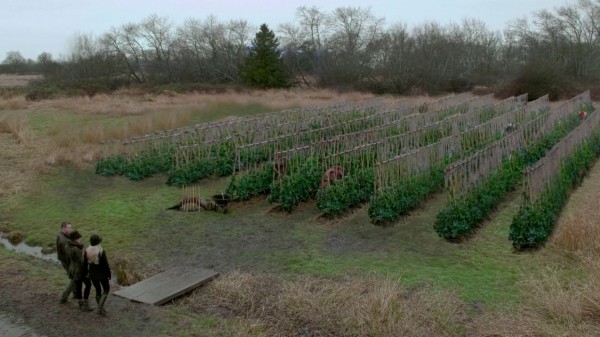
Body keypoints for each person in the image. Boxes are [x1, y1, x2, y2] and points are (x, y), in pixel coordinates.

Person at [84, 234, 112, 316]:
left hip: (92, 275)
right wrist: (109, 274)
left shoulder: (87, 250)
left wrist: (86, 273)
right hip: (102, 275)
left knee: (98, 290)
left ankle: (100, 307)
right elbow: (105, 265)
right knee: (106, 289)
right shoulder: (101, 251)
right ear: (98, 242)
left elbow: (84, 264)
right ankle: (100, 308)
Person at [67, 230, 93, 311]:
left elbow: (68, 259)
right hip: (79, 271)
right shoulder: (76, 249)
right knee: (88, 284)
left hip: (72, 269)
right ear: (75, 239)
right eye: (78, 238)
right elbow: (81, 262)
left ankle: (80, 303)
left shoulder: (67, 246)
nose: (80, 239)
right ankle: (85, 303)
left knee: (78, 286)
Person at [57, 221, 75, 304]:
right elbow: (69, 254)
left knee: (73, 277)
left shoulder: (61, 235)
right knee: (75, 279)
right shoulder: (63, 240)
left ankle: (76, 294)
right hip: (67, 262)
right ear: (64, 228)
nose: (71, 229)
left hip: (64, 261)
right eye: (69, 228)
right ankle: (64, 297)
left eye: (70, 227)